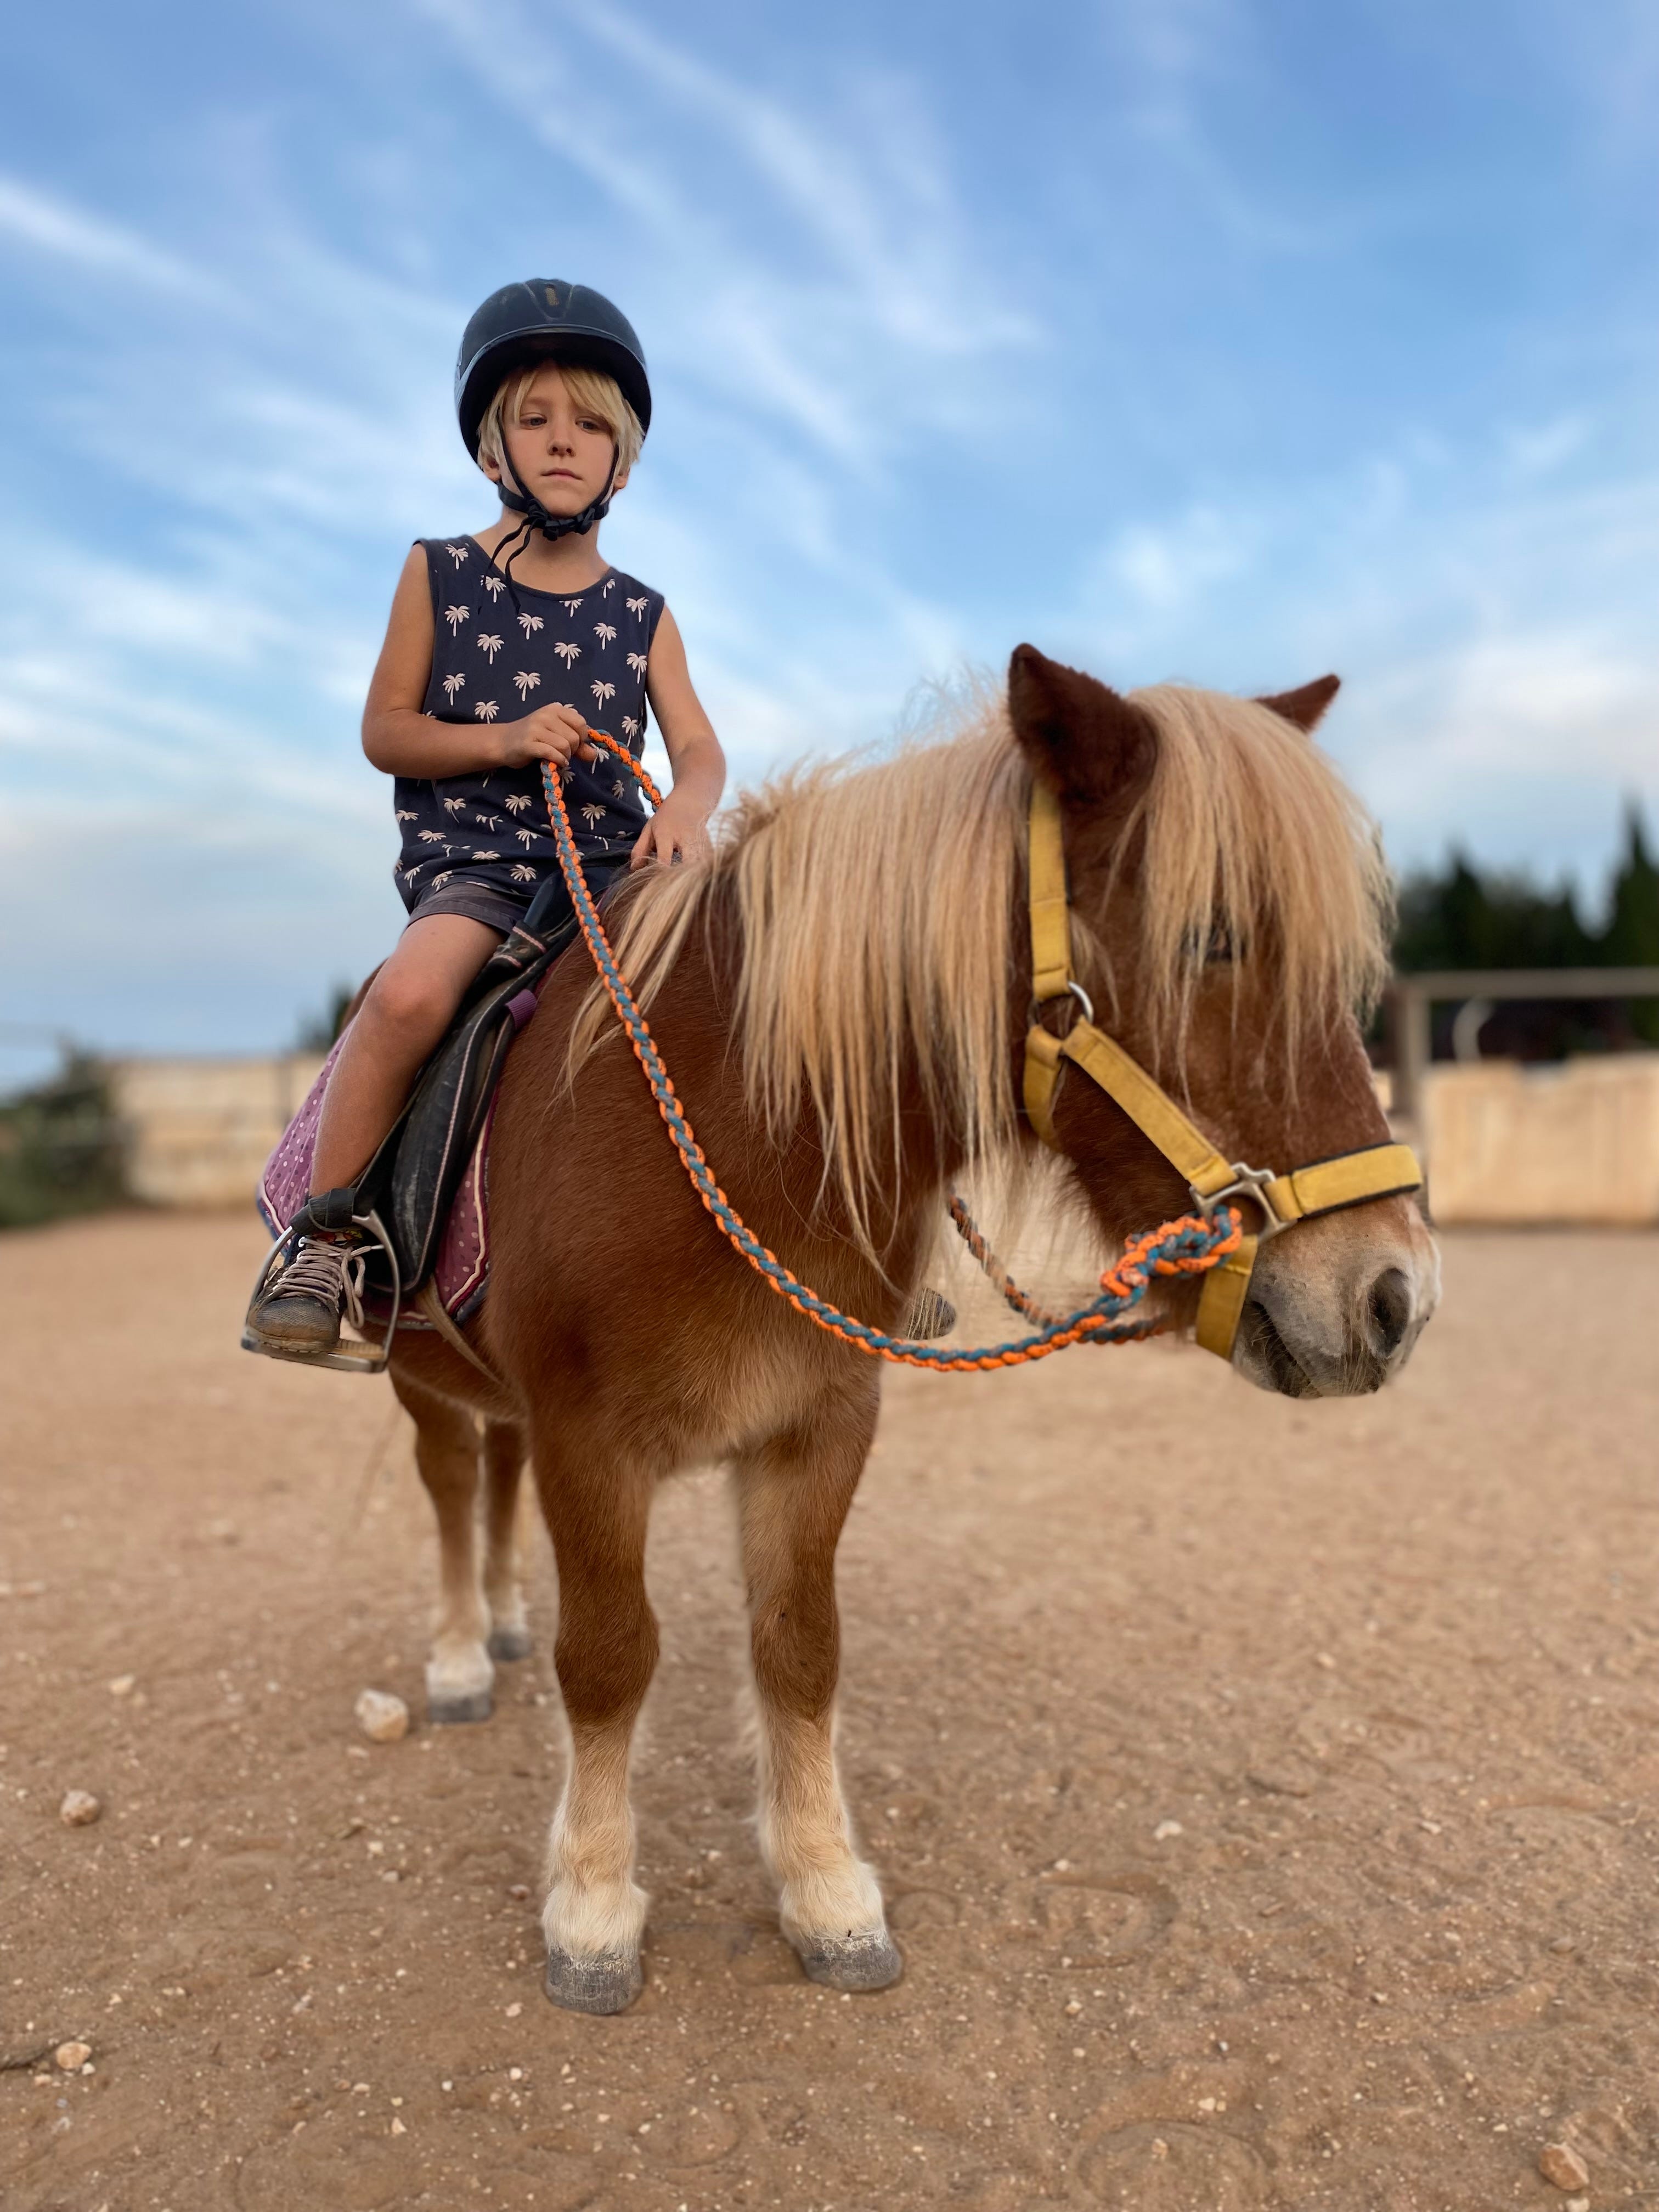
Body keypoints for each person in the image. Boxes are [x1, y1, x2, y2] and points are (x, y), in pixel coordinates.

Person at [245, 280, 725, 1359]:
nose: (565, 440)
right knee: (411, 995)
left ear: (624, 458)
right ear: (490, 447)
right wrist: (505, 739)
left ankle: (818, 1223)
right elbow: (388, 730)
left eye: (592, 423)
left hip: (620, 863)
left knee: (761, 983)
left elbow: (696, 746)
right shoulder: (438, 573)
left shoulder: (644, 613)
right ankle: (328, 1242)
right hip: (486, 866)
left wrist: (689, 806)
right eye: (537, 417)